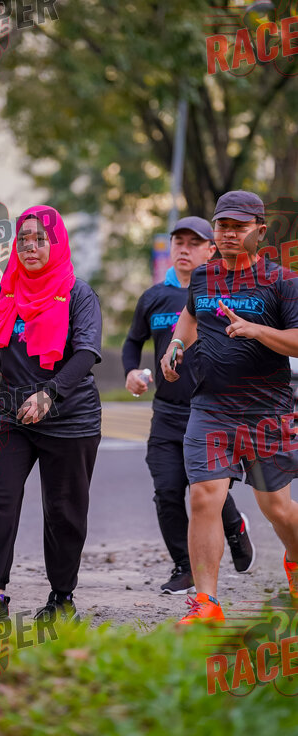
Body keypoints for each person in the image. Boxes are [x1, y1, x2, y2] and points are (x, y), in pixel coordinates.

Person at [0, 205, 102, 624]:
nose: (31, 247)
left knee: (63, 511)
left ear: (57, 243)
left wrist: (50, 393)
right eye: (24, 239)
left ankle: (62, 599)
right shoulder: (5, 291)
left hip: (70, 417)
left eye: (40, 239)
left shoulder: (78, 294)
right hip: (11, 414)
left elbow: (86, 354)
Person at [160, 191, 298, 624]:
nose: (230, 234)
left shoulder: (282, 281)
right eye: (223, 225)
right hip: (211, 406)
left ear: (260, 230)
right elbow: (193, 315)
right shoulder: (203, 277)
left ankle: (295, 560)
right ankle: (207, 603)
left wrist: (256, 330)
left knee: (276, 508)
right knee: (204, 497)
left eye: (240, 227)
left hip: (266, 410)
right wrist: (176, 344)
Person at [122, 217, 254, 594]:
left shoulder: (221, 294)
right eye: (178, 241)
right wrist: (131, 371)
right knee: (167, 490)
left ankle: (234, 526)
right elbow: (132, 342)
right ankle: (185, 566)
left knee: (206, 490)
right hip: (166, 412)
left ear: (211, 250)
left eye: (193, 243)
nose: (183, 249)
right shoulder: (153, 297)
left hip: (213, 410)